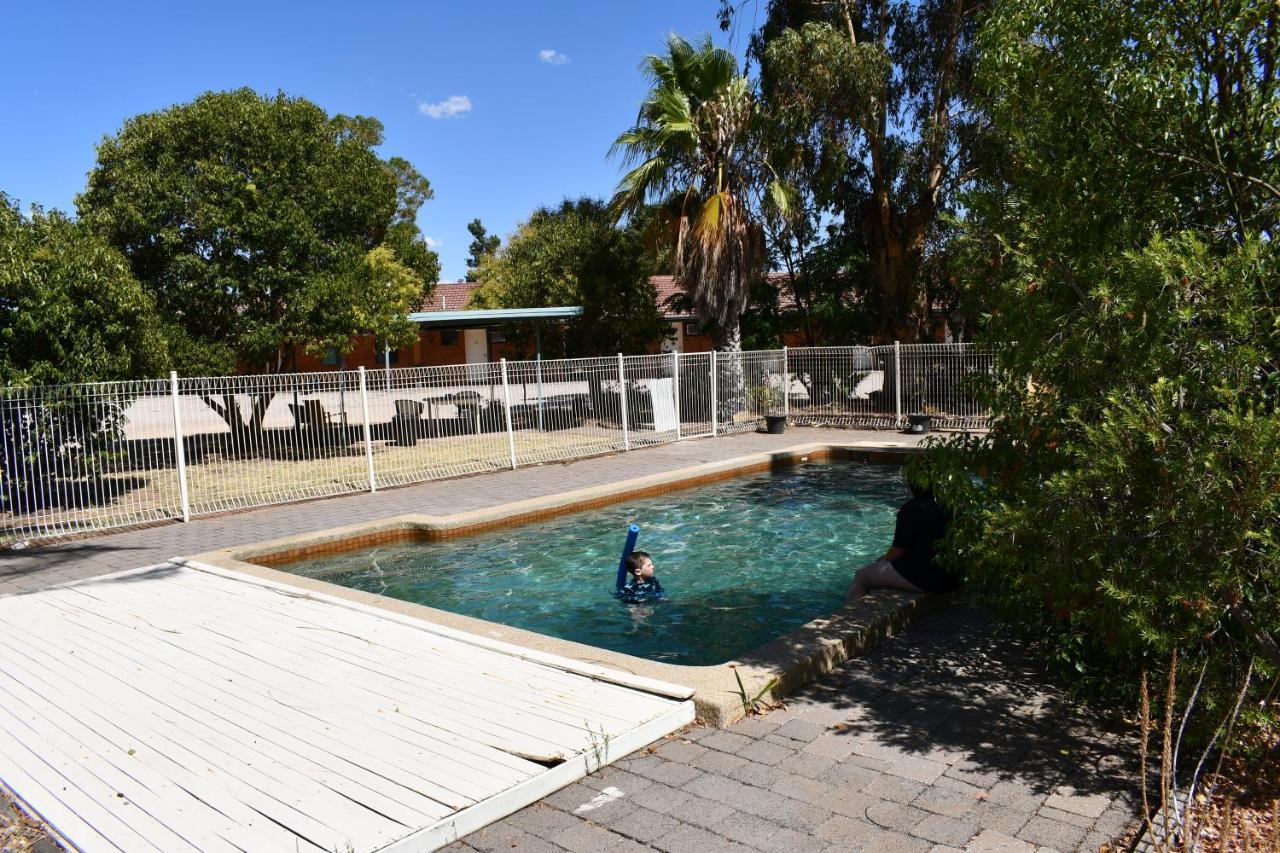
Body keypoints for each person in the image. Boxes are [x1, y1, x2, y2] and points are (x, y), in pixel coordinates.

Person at [848, 480, 957, 600]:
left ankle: (851, 615)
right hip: (953, 577)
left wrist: (882, 561)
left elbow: (897, 552)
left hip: (930, 581)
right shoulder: (950, 505)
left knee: (862, 576)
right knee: (881, 562)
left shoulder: (911, 509)